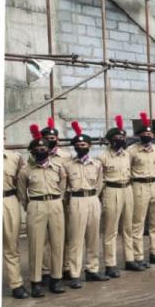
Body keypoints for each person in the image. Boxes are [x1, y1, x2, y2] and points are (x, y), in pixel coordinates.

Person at [18, 125, 67, 297]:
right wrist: (31, 207)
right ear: (32, 151)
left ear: (49, 150)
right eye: (37, 149)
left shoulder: (58, 168)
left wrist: (56, 201)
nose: (41, 150)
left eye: (44, 148)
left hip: (55, 204)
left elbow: (62, 186)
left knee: (57, 243)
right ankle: (36, 282)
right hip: (36, 206)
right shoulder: (26, 171)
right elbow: (22, 194)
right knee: (36, 245)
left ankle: (56, 279)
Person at [63, 122, 104, 288]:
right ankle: (74, 274)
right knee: (76, 239)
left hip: (93, 199)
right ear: (74, 147)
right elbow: (64, 188)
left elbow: (100, 184)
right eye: (78, 145)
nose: (81, 147)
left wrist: (94, 197)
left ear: (89, 146)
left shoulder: (97, 164)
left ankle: (92, 270)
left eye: (84, 144)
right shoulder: (67, 165)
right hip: (76, 200)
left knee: (93, 237)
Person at [129, 112, 155, 267]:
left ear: (153, 135)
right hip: (139, 185)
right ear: (139, 135)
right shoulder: (131, 150)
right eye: (144, 133)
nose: (147, 135)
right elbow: (127, 169)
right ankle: (138, 256)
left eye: (149, 133)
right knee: (138, 223)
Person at [99, 115, 133, 277]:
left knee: (128, 227)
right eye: (117, 138)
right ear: (110, 140)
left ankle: (130, 259)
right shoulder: (102, 157)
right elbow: (99, 179)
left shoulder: (127, 155)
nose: (120, 140)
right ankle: (110, 264)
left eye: (122, 137)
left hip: (127, 189)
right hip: (111, 191)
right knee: (111, 230)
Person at [2, 142, 26, 298]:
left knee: (11, 244)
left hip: (8, 199)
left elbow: (21, 183)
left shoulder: (15, 158)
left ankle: (16, 284)